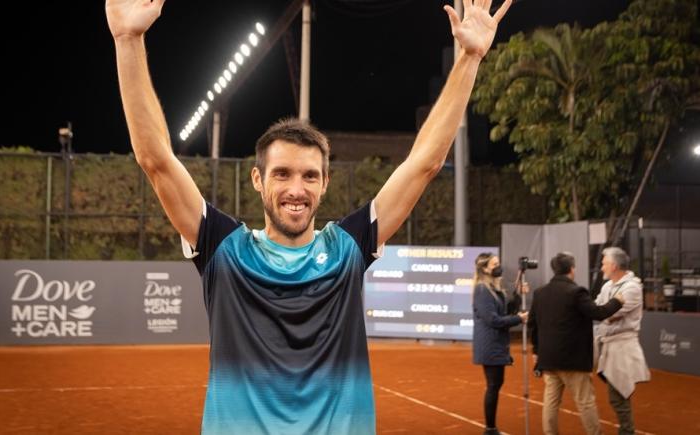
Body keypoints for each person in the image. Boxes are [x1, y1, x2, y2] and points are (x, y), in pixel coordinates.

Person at [106, 0, 513, 432]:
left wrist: (469, 58)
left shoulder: (349, 247)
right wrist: (128, 40)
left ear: (325, 183)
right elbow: (156, 161)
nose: (296, 189)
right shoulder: (224, 249)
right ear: (258, 180)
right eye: (282, 174)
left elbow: (424, 165)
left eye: (309, 175)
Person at [529, 252, 624, 435]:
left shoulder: (540, 293)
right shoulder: (576, 292)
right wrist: (617, 301)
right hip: (573, 360)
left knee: (551, 401)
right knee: (585, 401)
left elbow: (533, 324)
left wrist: (537, 350)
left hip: (548, 359)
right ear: (572, 269)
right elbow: (598, 313)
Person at [594, 247, 651, 435]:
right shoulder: (607, 286)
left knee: (618, 396)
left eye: (604, 263)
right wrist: (604, 312)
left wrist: (604, 312)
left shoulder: (633, 287)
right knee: (616, 396)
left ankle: (627, 431)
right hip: (609, 346)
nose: (601, 267)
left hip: (623, 348)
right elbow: (598, 310)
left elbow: (610, 314)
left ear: (614, 265)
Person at [472, 252, 527, 435]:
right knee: (493, 385)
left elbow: (506, 311)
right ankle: (490, 429)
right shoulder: (482, 290)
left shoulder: (495, 288)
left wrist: (518, 294)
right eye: (494, 264)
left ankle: (491, 428)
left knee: (496, 384)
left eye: (498, 263)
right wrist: (518, 319)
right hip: (490, 345)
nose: (498, 267)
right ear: (485, 269)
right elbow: (493, 320)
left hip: (497, 343)